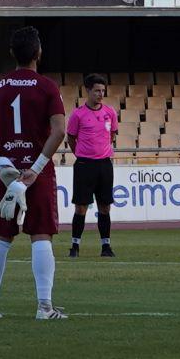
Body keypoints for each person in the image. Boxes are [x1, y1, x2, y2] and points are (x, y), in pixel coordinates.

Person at [0, 26, 68, 321]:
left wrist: (0, 164)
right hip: (35, 173)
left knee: (0, 237)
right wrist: (36, 168)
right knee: (41, 236)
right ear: (39, 53)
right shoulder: (47, 87)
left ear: (12, 53)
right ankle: (44, 307)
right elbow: (60, 131)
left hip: (8, 174)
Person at [66, 73, 120, 259]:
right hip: (84, 165)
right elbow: (71, 138)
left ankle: (106, 246)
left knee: (104, 206)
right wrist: (82, 154)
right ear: (87, 91)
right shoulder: (78, 114)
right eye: (97, 90)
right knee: (81, 207)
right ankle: (75, 246)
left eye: (103, 91)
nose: (100, 94)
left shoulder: (110, 112)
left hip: (104, 165)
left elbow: (112, 134)